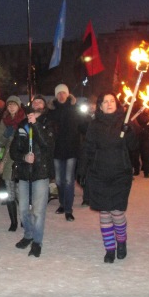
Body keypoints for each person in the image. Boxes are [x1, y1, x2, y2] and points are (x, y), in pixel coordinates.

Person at [78, 92, 139, 263]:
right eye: (105, 101)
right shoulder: (95, 124)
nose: (109, 104)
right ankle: (109, 248)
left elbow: (134, 146)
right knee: (105, 212)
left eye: (112, 101)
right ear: (100, 106)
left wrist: (129, 132)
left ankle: (121, 241)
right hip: (99, 173)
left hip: (121, 173)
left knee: (117, 212)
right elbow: (88, 148)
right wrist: (82, 171)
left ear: (117, 104)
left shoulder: (125, 121)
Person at [10, 95, 54, 257]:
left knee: (38, 211)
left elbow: (47, 145)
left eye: (40, 102)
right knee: (22, 209)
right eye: (34, 101)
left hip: (40, 172)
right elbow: (14, 150)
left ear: (44, 106)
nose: (36, 103)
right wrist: (23, 158)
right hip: (24, 172)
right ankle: (28, 234)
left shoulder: (48, 124)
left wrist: (35, 125)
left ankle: (37, 241)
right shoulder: (22, 125)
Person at [48, 84, 84, 221]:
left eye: (63, 93)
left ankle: (68, 209)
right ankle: (62, 203)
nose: (61, 96)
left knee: (68, 180)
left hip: (71, 149)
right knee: (58, 180)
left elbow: (83, 126)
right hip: (57, 150)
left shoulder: (74, 109)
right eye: (59, 93)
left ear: (68, 94)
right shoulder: (51, 111)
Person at [0, 95, 26, 231]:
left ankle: (24, 219)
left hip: (21, 159)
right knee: (9, 192)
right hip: (8, 160)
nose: (11, 107)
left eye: (14, 104)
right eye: (9, 105)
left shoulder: (25, 120)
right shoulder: (4, 121)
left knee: (21, 192)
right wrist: (6, 135)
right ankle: (13, 221)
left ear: (19, 106)